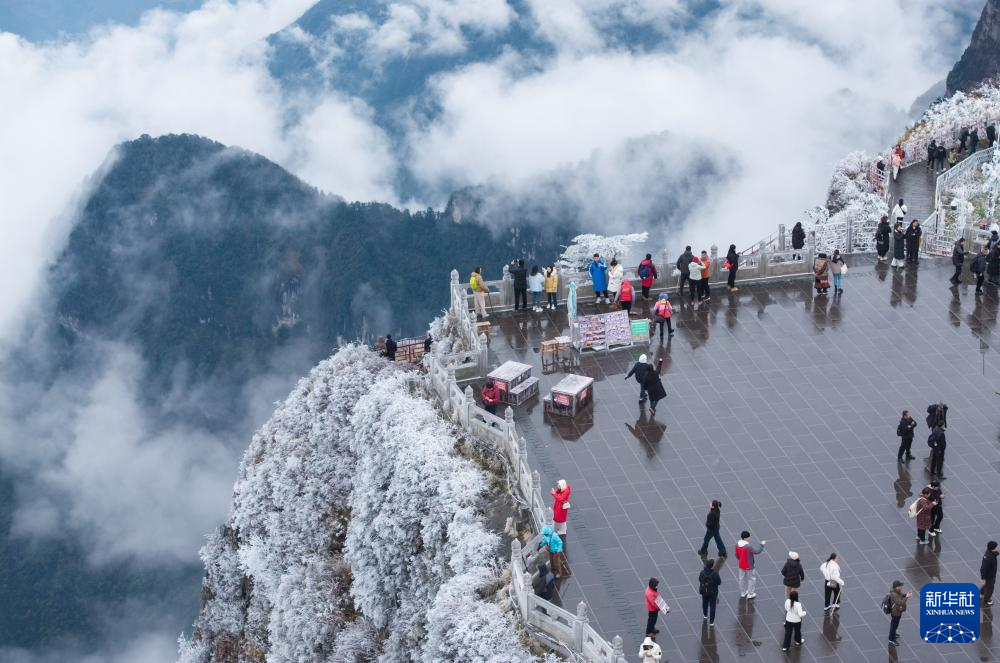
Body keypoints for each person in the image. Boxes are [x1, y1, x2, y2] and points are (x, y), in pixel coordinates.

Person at [735, 531, 766, 599]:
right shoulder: (748, 546)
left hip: (741, 564)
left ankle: (743, 592)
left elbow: (737, 555)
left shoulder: (737, 544)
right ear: (747, 538)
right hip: (749, 565)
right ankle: (750, 593)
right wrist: (762, 544)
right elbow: (757, 551)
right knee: (751, 578)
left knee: (741, 578)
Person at [887, 580, 912, 646]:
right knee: (894, 625)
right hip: (896, 612)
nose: (901, 587)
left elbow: (901, 595)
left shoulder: (896, 591)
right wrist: (907, 597)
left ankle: (894, 634)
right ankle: (891, 639)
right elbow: (900, 603)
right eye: (900, 586)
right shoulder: (894, 594)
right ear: (896, 587)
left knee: (895, 624)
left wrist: (906, 594)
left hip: (898, 611)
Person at [698, 558, 722, 626]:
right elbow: (719, 582)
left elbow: (699, 579)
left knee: (704, 603)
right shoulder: (715, 574)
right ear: (712, 566)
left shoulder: (702, 572)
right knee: (712, 606)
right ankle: (711, 622)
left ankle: (705, 615)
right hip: (713, 592)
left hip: (704, 591)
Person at [982, 541, 998, 606]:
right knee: (990, 588)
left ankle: (982, 591)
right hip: (989, 576)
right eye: (995, 548)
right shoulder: (988, 558)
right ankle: (986, 601)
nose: (997, 549)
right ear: (992, 549)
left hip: (991, 574)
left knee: (988, 584)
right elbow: (984, 568)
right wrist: (983, 577)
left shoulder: (990, 553)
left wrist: (995, 553)